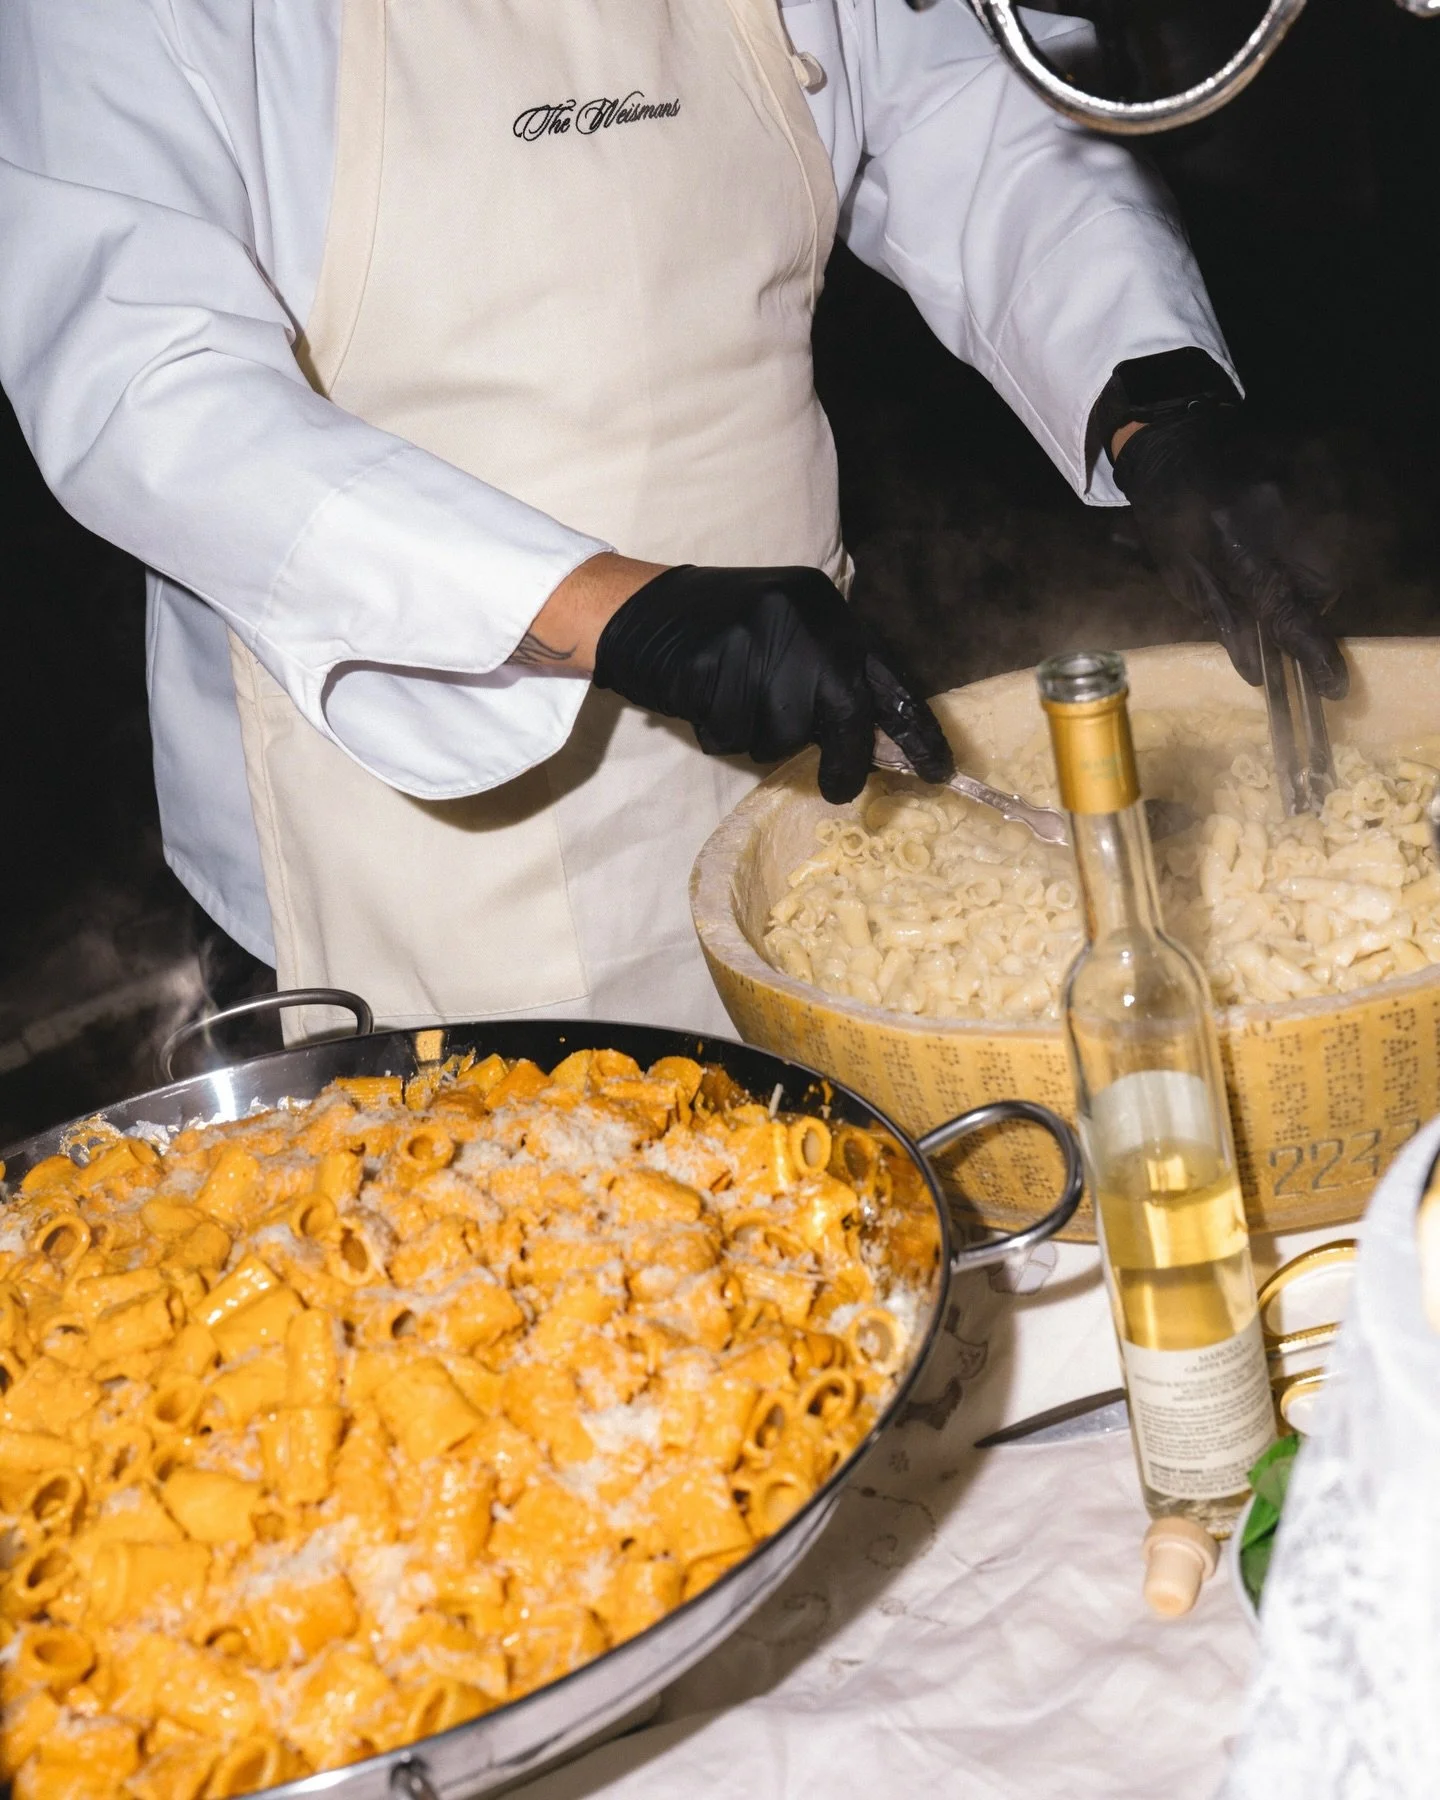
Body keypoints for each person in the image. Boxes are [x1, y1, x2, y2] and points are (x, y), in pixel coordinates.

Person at [0, 0, 1345, 1036]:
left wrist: (1150, 398)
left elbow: (958, 102)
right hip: (396, 802)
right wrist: (620, 611)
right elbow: (140, 383)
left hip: (794, 747)